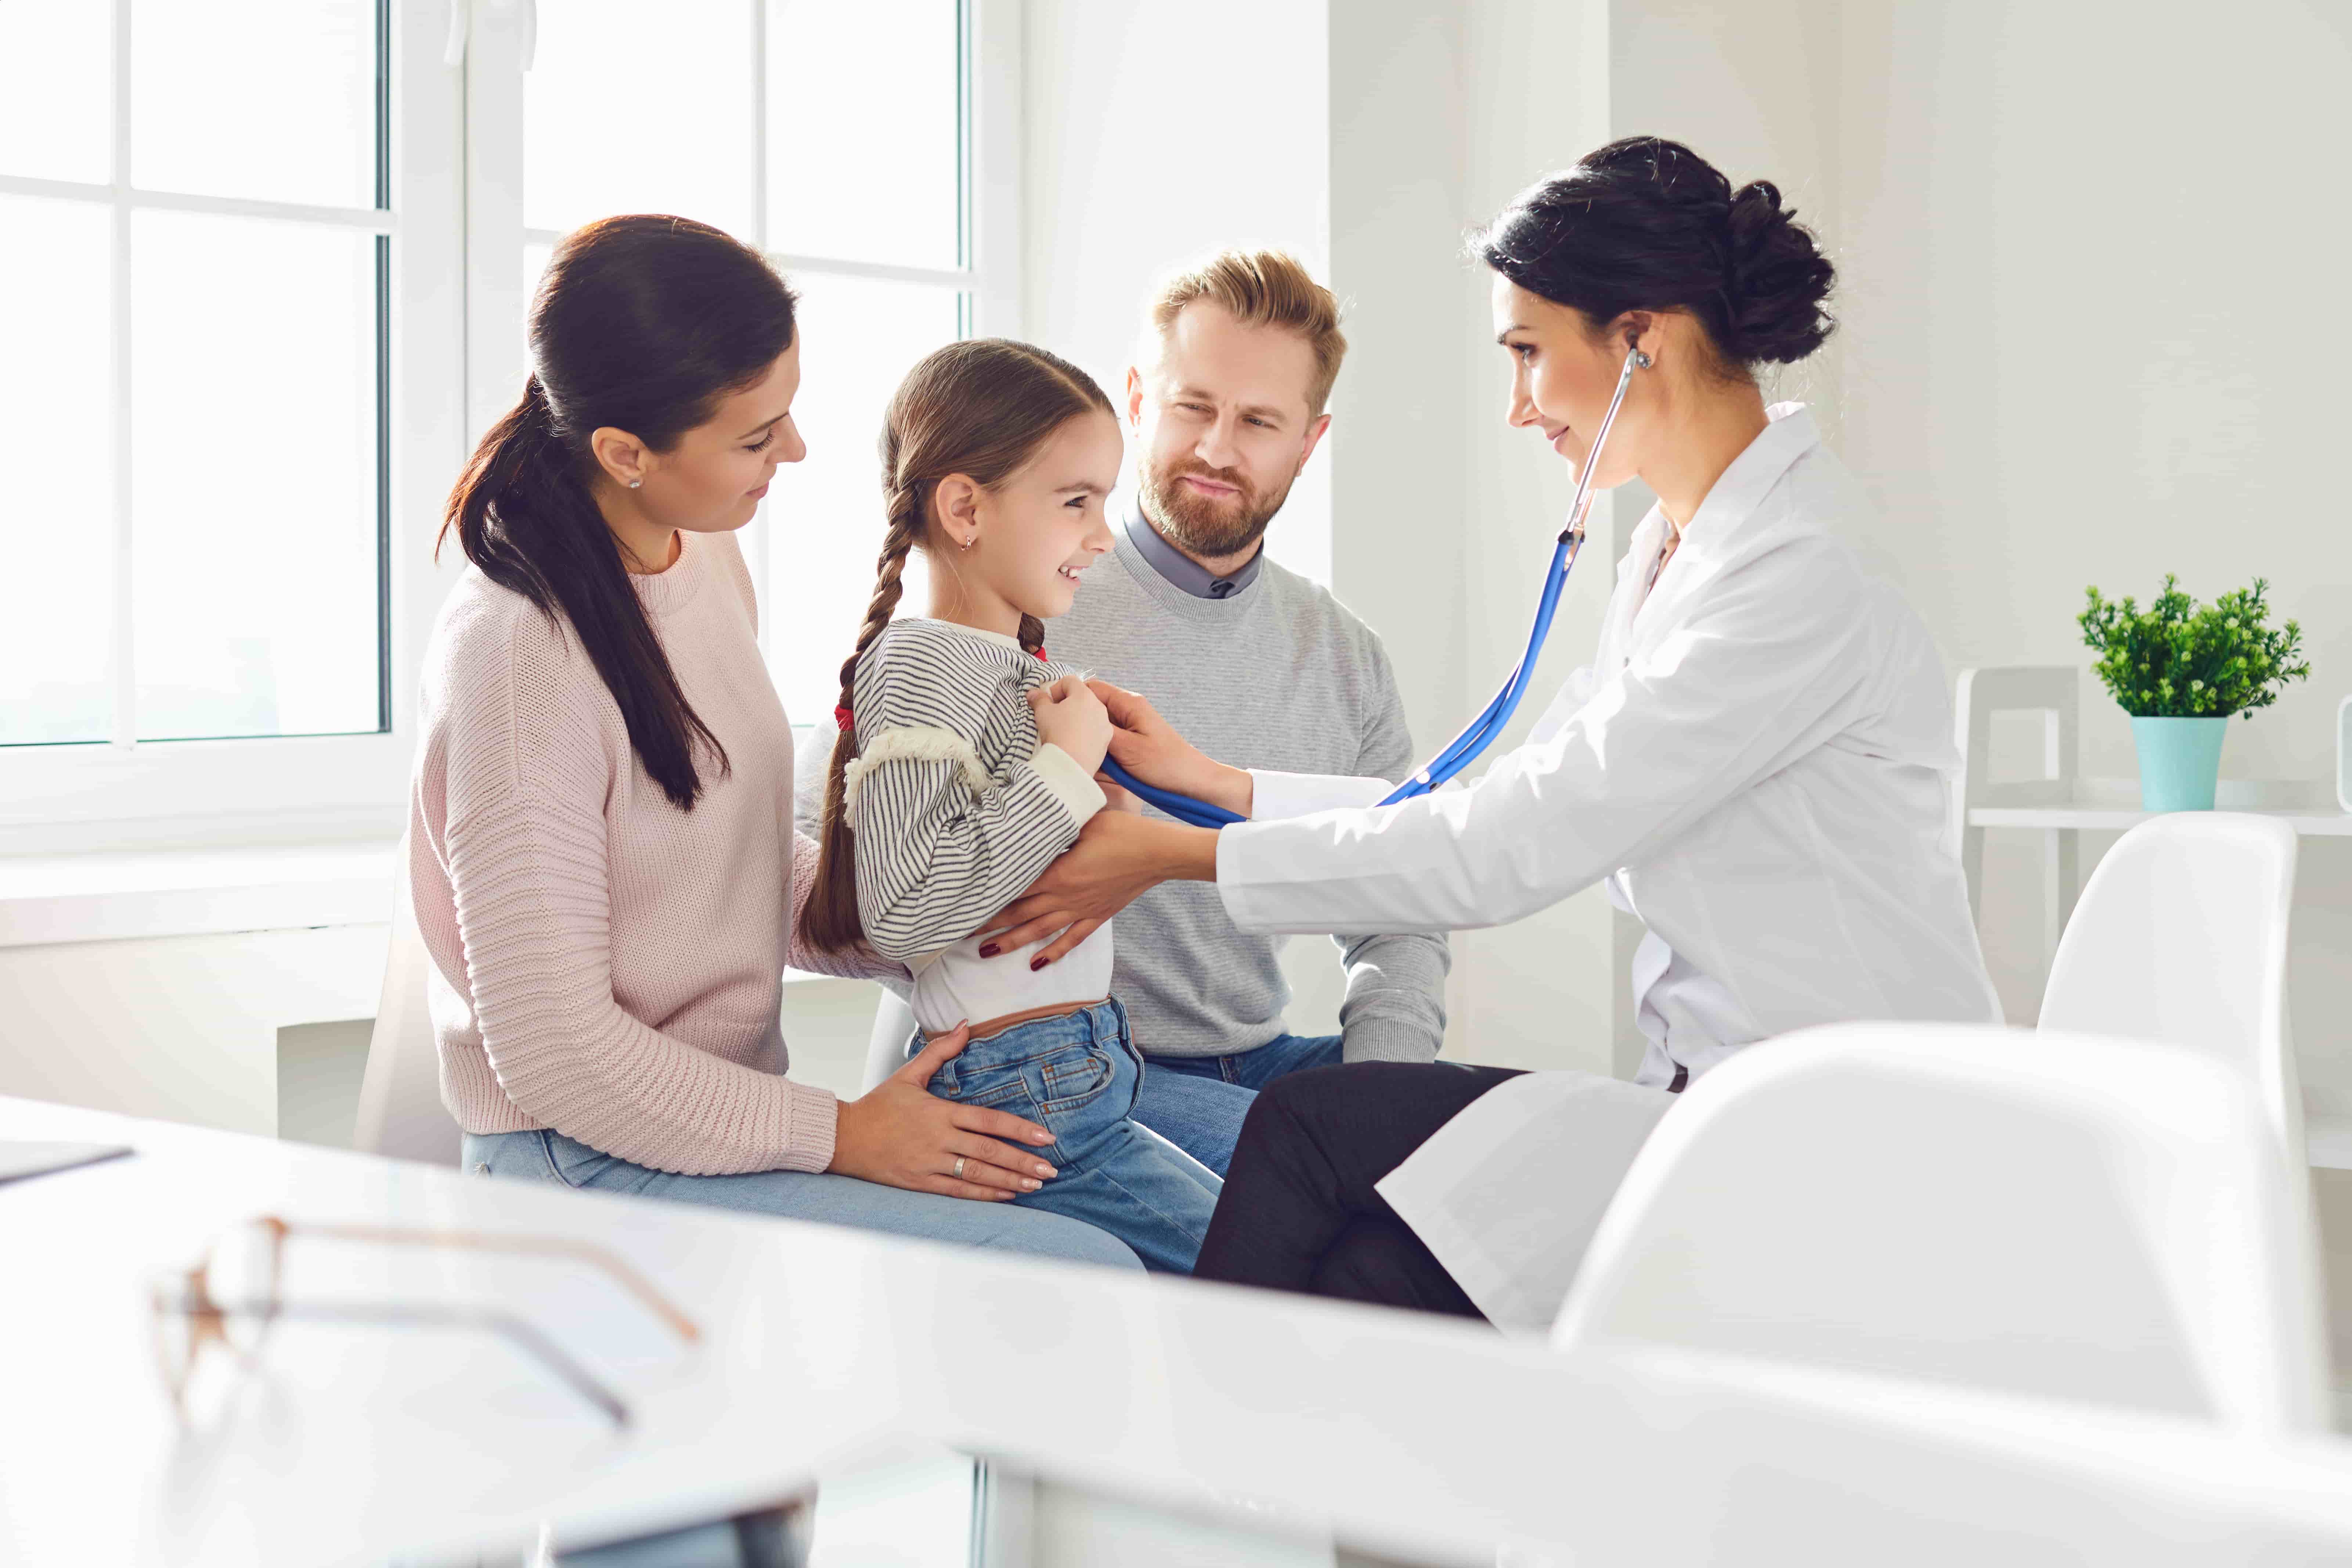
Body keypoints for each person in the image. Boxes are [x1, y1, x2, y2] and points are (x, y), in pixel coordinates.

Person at [980, 137, 2004, 1328]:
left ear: (1639, 342)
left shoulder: (1793, 579)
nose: (1518, 407)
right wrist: (1221, 785)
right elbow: (1497, 799)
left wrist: (1185, 847)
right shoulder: (1687, 548)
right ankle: (1302, 1485)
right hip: (1714, 1096)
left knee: (1322, 1139)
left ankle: (1225, 1468)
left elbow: (1511, 842)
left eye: (1528, 353)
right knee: (1365, 1254)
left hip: (1831, 1123)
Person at [417, 215, 1137, 1272]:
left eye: (787, 412)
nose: (794, 450)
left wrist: (962, 896)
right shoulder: (521, 663)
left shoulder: (701, 560)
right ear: (624, 453)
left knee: (1141, 1231)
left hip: (707, 1133)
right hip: (580, 1163)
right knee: (1085, 1270)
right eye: (756, 436)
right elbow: (558, 1058)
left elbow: (734, 861)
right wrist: (840, 1132)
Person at [802, 338, 1222, 1273]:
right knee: (1263, 1270)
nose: (1104, 535)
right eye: (1076, 502)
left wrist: (1096, 794)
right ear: (963, 507)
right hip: (1028, 1083)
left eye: (1104, 502)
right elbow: (907, 908)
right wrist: (1066, 773)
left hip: (1082, 1065)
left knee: (1257, 1253)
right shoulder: (919, 661)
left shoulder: (1011, 671)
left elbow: (1011, 862)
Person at [1028, 250, 1450, 1176]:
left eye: (1258, 421)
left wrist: (1376, 1097)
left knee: (1505, 1146)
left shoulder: (1345, 654)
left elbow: (1400, 911)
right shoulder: (1026, 602)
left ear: (1310, 440)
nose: (1219, 448)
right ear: (1137, 399)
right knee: (1320, 1198)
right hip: (1081, 1067)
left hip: (1267, 1060)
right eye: (1193, 406)